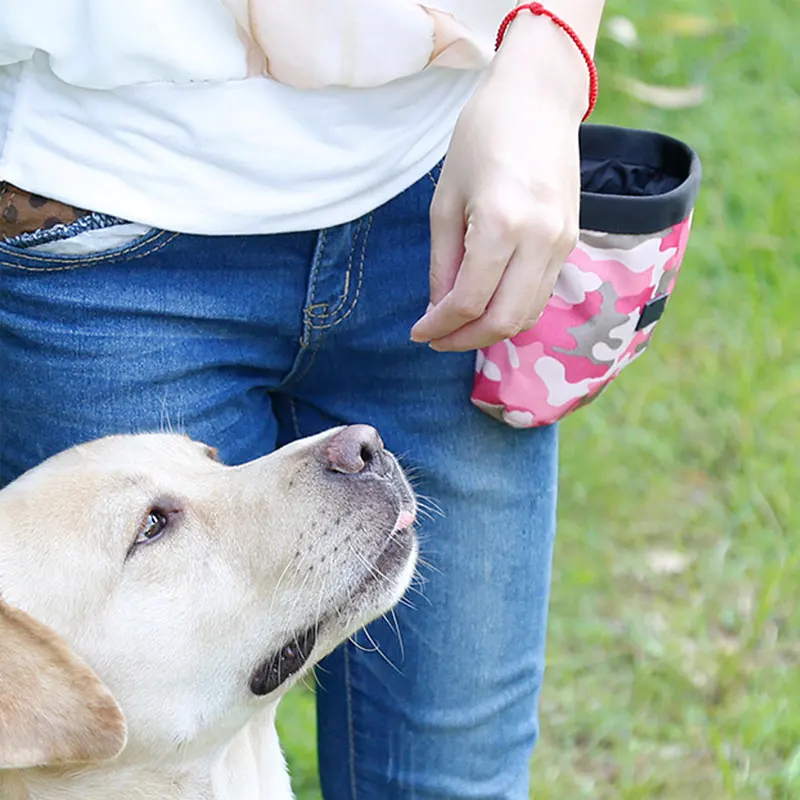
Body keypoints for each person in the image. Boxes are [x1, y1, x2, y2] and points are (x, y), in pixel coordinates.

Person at [0, 1, 605, 797]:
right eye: (153, 524)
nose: (349, 451)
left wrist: (547, 66)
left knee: (454, 782)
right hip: (101, 205)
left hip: (447, 179)